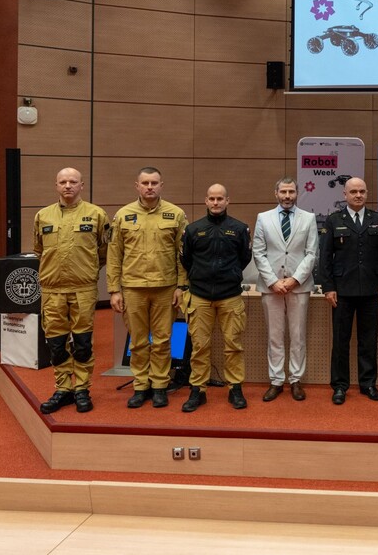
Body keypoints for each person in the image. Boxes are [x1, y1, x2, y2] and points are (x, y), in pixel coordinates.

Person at [107, 167, 188, 409]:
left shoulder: (175, 214)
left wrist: (181, 286)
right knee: (139, 342)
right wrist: (114, 290)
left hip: (166, 287)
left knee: (163, 340)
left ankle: (160, 385)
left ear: (161, 185)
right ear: (137, 186)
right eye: (145, 183)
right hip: (133, 288)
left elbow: (182, 254)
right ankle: (141, 386)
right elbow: (114, 255)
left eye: (154, 182)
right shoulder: (123, 215)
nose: (149, 187)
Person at [33, 168, 109, 414]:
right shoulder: (43, 216)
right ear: (56, 185)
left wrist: (85, 270)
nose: (68, 185)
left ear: (82, 185)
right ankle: (63, 389)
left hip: (83, 289)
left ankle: (82, 390)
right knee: (56, 344)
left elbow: (104, 251)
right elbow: (39, 250)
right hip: (52, 289)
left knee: (83, 343)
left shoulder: (96, 215)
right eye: (63, 182)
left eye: (73, 182)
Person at [319, 177, 378, 405]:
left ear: (367, 193)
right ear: (345, 195)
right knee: (341, 341)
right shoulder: (333, 220)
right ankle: (340, 386)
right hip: (342, 292)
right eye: (353, 192)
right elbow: (325, 258)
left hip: (371, 290)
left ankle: (368, 383)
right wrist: (328, 287)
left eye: (362, 191)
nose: (358, 195)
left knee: (368, 340)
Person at [179, 184, 252, 413]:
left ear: (228, 201)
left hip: (230, 296)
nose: (216, 202)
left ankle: (235, 388)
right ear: (206, 201)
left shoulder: (239, 229)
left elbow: (244, 258)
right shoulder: (193, 230)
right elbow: (186, 260)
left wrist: (229, 276)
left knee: (233, 345)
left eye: (220, 198)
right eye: (212, 198)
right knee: (200, 347)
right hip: (199, 296)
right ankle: (197, 390)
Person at [252, 177, 318, 402]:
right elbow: (258, 253)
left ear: (297, 193)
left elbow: (311, 254)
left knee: (298, 336)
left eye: (291, 192)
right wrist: (273, 281)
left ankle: (296, 380)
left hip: (298, 287)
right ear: (276, 193)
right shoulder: (263, 218)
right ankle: (276, 380)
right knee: (275, 336)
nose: (287, 196)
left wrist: (295, 280)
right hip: (272, 288)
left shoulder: (309, 218)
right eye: (283, 192)